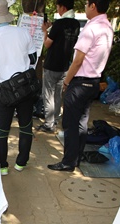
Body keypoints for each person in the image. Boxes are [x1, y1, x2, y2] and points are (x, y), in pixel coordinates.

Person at [47, 0, 113, 172]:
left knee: (70, 124)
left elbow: (77, 61)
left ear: (93, 6)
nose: (84, 7)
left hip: (81, 81)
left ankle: (68, 161)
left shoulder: (91, 28)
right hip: (93, 82)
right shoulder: (107, 27)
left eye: (86, 4)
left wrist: (67, 82)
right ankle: (76, 158)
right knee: (81, 123)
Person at [0, 0, 38, 175]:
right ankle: (21, 163)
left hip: (3, 91)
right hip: (26, 89)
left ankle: (2, 167)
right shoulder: (23, 32)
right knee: (26, 127)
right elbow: (33, 59)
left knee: (2, 130)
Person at [36, 0, 80, 133]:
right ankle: (55, 119)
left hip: (52, 64)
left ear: (63, 7)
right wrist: (51, 28)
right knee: (58, 95)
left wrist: (45, 31)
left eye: (58, 6)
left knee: (48, 94)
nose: (57, 9)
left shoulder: (59, 23)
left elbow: (47, 44)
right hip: (65, 66)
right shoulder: (76, 24)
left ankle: (49, 124)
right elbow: (63, 39)